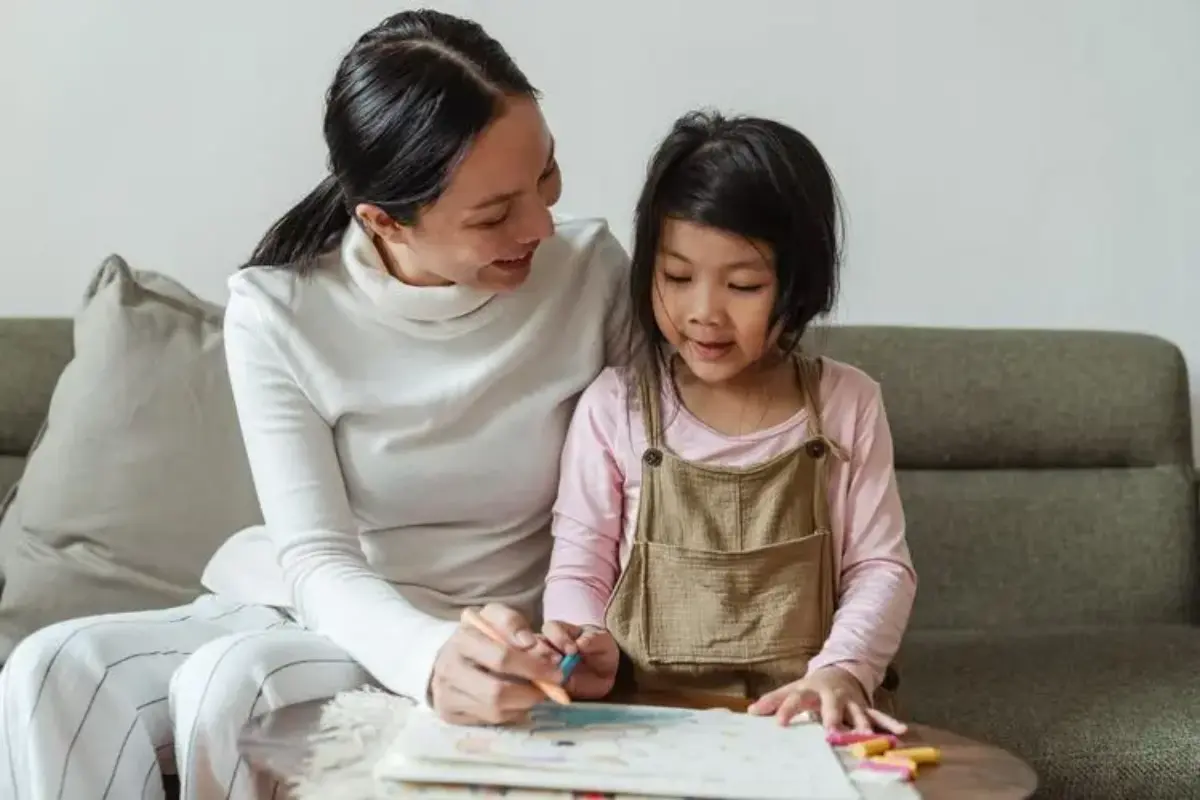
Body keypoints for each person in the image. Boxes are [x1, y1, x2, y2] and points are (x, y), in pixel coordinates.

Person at [0, 9, 631, 799]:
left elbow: (648, 481)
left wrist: (586, 628)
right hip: (327, 609)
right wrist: (428, 658)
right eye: (493, 214)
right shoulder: (278, 310)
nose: (541, 222)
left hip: (488, 627)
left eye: (546, 174)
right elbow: (318, 559)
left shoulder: (592, 272)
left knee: (232, 685)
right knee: (49, 668)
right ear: (381, 219)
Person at [537, 110, 917, 732]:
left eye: (743, 285)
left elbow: (880, 568)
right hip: (645, 720)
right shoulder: (616, 406)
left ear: (800, 285)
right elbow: (579, 568)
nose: (703, 312)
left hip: (803, 719)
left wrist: (844, 669)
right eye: (677, 277)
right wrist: (582, 641)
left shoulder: (847, 404)